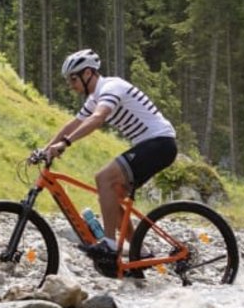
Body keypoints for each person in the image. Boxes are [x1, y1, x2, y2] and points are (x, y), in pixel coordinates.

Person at [43, 48, 177, 260]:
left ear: (88, 73)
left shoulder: (111, 87)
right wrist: (46, 148)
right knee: (112, 195)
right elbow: (74, 124)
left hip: (160, 143)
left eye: (73, 79)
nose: (71, 85)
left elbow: (97, 119)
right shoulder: (95, 96)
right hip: (152, 145)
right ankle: (139, 253)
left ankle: (109, 244)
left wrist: (66, 143)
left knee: (103, 178)